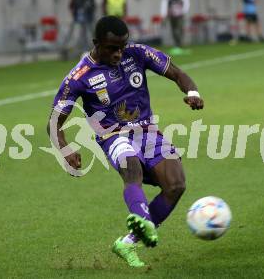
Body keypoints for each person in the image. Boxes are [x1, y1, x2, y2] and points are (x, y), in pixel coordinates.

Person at [47, 16, 204, 267]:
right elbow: (54, 122)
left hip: (148, 132)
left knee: (176, 185)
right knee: (131, 167)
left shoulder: (137, 53)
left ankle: (127, 243)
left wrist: (193, 93)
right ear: (96, 43)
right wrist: (64, 148)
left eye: (122, 46)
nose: (119, 53)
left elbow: (177, 73)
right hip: (113, 136)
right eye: (112, 48)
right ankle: (143, 219)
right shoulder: (79, 76)